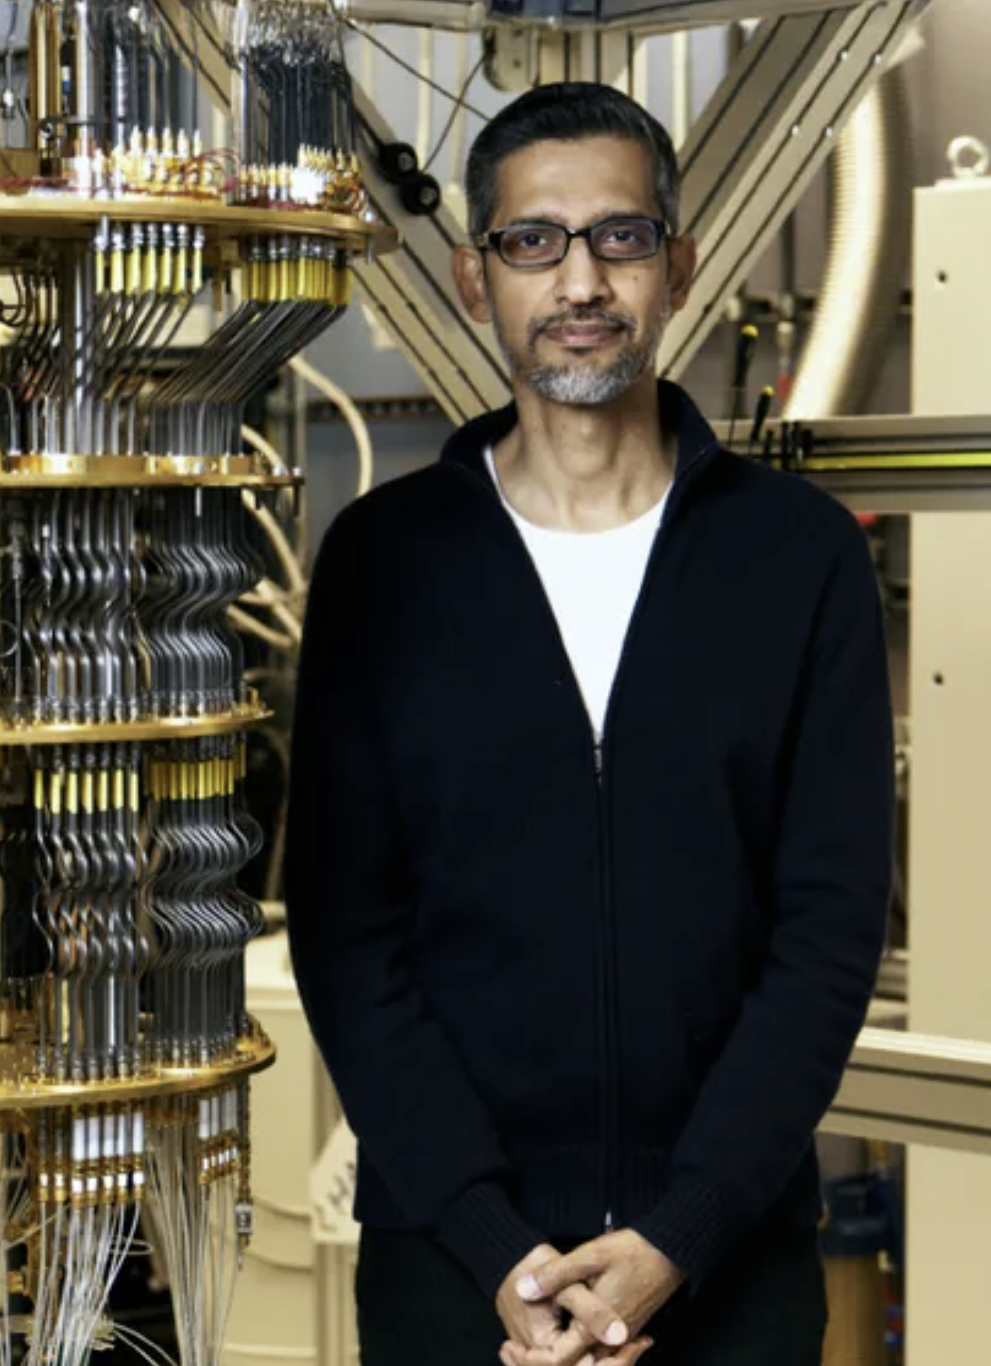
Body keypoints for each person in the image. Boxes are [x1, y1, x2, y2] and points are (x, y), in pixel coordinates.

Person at [285, 81, 893, 1366]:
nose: (578, 281)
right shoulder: (382, 563)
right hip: (456, 1273)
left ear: (674, 268)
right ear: (472, 276)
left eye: (618, 238)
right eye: (532, 241)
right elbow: (348, 939)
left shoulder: (796, 559)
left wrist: (683, 1228)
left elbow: (829, 934)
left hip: (729, 1261)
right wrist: (489, 1235)